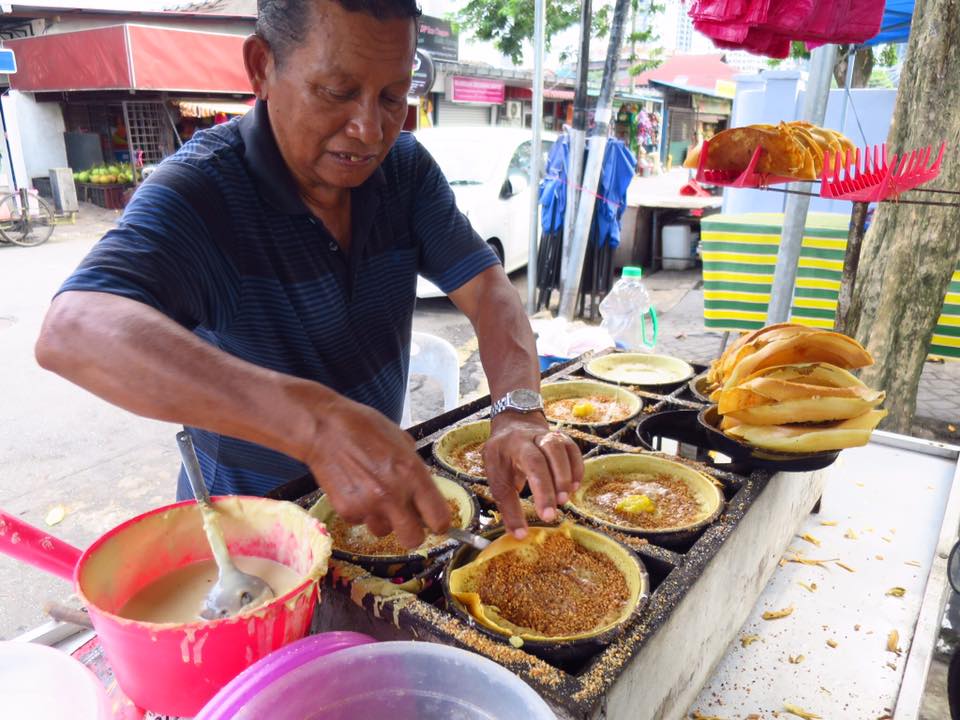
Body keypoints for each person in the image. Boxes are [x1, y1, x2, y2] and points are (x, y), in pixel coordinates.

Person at [34, 0, 582, 549]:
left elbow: (489, 290)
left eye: (393, 97)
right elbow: (74, 329)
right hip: (248, 541)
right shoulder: (200, 192)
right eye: (337, 92)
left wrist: (517, 408)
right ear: (261, 68)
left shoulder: (405, 171)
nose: (370, 130)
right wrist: (314, 423)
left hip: (372, 523)